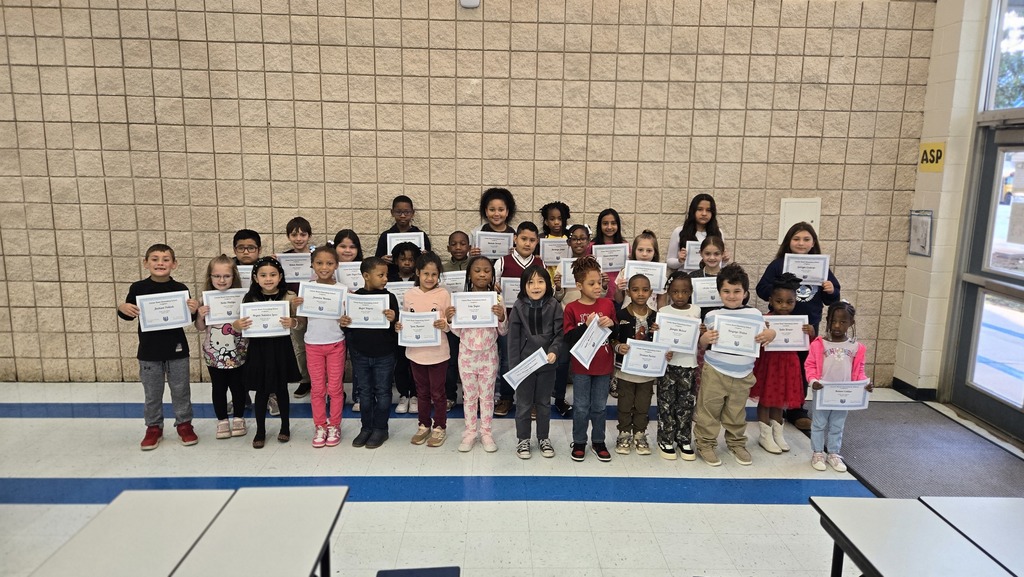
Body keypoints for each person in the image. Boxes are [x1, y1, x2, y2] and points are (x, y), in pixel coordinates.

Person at [756, 222, 841, 431]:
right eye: (796, 239)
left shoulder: (821, 267)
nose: (801, 243)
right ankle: (774, 403)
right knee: (777, 367)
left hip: (806, 327)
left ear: (813, 243)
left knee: (802, 367)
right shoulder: (779, 264)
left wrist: (831, 290)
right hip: (779, 325)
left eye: (806, 239)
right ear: (788, 241)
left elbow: (833, 299)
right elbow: (761, 289)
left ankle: (796, 408)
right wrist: (780, 288)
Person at [117, 243, 200, 450]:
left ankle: (184, 424)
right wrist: (122, 308)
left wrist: (194, 308)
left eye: (165, 259)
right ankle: (153, 427)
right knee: (152, 392)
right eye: (154, 259)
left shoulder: (180, 289)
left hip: (177, 349)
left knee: (181, 390)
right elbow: (128, 315)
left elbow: (187, 319)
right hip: (149, 351)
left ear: (174, 264)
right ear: (145, 263)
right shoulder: (138, 288)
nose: (160, 263)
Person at [694, 263, 776, 467]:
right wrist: (705, 338)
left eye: (737, 291)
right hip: (715, 371)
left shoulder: (755, 315)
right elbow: (702, 344)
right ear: (719, 292)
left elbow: (769, 333)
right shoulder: (712, 315)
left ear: (745, 293)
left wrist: (770, 334)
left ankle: (736, 443)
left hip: (743, 373)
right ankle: (705, 443)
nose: (731, 296)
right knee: (708, 410)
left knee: (737, 412)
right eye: (726, 291)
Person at [232, 257, 302, 449]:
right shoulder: (249, 298)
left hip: (281, 348)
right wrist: (237, 325)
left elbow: (301, 321)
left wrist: (293, 322)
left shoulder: (289, 296)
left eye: (273, 274)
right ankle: (260, 430)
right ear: (255, 277)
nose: (268, 279)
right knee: (261, 391)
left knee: (281, 389)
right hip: (258, 349)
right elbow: (239, 323)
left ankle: (285, 427)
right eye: (263, 275)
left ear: (280, 277)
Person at [447, 255, 508, 452]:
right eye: (477, 270)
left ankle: (487, 433)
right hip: (466, 355)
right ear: (469, 274)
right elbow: (457, 332)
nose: (482, 274)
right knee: (470, 396)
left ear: (492, 275)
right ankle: (471, 432)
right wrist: (450, 320)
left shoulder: (497, 299)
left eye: (487, 271)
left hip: (489, 356)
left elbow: (503, 331)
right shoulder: (461, 300)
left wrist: (501, 317)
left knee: (487, 396)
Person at [750, 273, 813, 455]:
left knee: (779, 401)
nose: (784, 306)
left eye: (789, 302)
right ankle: (765, 435)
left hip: (787, 364)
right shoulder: (764, 319)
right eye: (779, 301)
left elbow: (810, 345)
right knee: (765, 399)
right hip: (768, 365)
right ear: (770, 300)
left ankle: (778, 433)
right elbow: (756, 341)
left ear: (795, 301)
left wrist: (810, 332)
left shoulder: (798, 322)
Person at [563, 255, 617, 462]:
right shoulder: (572, 308)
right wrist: (584, 326)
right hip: (581, 367)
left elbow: (615, 333)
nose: (597, 287)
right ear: (579, 285)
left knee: (600, 407)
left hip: (603, 366)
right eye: (591, 283)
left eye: (600, 282)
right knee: (581, 406)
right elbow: (568, 339)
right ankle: (579, 441)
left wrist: (612, 325)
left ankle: (598, 441)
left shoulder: (608, 304)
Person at [806, 301, 871, 472]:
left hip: (844, 395)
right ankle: (818, 452)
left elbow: (859, 371)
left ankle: (833, 452)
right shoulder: (819, 344)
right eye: (833, 321)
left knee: (837, 424)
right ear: (827, 320)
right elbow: (810, 365)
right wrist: (813, 381)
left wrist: (865, 384)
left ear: (851, 323)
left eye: (843, 322)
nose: (837, 325)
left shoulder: (856, 347)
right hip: (823, 393)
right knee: (819, 423)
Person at [342, 257, 399, 449]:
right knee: (364, 392)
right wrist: (345, 324)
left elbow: (397, 327)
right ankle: (366, 427)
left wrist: (393, 318)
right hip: (360, 354)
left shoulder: (389, 297)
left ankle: (381, 429)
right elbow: (349, 329)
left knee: (383, 392)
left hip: (384, 354)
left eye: (386, 275)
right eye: (380, 275)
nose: (385, 279)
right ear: (366, 276)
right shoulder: (354, 297)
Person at [293, 246, 346, 449]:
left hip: (336, 344)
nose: (324, 267)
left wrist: (345, 318)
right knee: (317, 389)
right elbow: (300, 322)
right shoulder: (306, 289)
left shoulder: (342, 289)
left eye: (330, 263)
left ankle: (334, 425)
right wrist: (296, 307)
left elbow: (347, 319)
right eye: (320, 263)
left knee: (334, 388)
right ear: (312, 265)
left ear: (336, 265)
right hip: (313, 344)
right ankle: (320, 426)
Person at [508, 266, 564, 459]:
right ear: (524, 286)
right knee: (523, 404)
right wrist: (515, 365)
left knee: (543, 403)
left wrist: (554, 351)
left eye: (540, 281)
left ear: (547, 284)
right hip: (524, 365)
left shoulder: (554, 305)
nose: (535, 286)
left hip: (548, 365)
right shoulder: (518, 306)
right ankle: (523, 439)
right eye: (530, 282)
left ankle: (543, 438)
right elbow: (513, 339)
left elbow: (559, 334)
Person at [399, 252, 452, 448]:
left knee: (438, 393)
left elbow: (450, 324)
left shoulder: (444, 294)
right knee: (421, 392)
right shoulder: (409, 294)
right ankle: (423, 425)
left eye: (434, 274)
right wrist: (400, 327)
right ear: (417, 273)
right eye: (425, 274)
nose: (430, 278)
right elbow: (406, 319)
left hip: (438, 352)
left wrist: (444, 325)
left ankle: (440, 427)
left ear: (439, 276)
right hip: (415, 353)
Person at [493, 221, 544, 417]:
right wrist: (495, 289)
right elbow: (493, 289)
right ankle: (506, 397)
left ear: (537, 242)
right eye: (523, 239)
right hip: (509, 319)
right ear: (515, 239)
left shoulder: (540, 264)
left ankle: (529, 400)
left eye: (532, 240)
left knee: (532, 359)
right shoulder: (502, 262)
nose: (527, 243)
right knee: (508, 359)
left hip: (533, 320)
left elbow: (546, 291)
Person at [195, 254, 248, 440]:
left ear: (234, 276)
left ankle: (239, 417)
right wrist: (200, 316)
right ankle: (222, 420)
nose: (222, 280)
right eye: (217, 276)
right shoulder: (205, 300)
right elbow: (200, 328)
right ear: (210, 277)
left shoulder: (243, 298)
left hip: (238, 351)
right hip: (213, 353)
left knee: (238, 387)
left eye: (226, 276)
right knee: (218, 388)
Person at [611, 274, 665, 456]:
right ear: (628, 292)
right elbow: (612, 339)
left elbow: (662, 343)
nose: (640, 294)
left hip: (647, 372)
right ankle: (624, 433)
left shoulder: (657, 318)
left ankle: (640, 434)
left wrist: (663, 344)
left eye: (644, 290)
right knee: (625, 403)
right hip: (625, 371)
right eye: (635, 290)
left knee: (643, 404)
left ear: (651, 292)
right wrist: (618, 347)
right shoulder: (621, 315)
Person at [656, 272, 701, 460]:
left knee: (685, 404)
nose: (680, 296)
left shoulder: (696, 311)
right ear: (669, 292)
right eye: (675, 292)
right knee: (666, 403)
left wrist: (702, 331)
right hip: (667, 365)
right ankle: (665, 438)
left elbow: (698, 338)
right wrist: (656, 332)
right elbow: (659, 339)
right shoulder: (664, 312)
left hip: (688, 364)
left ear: (691, 292)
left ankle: (683, 438)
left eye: (684, 292)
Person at [550, 223, 592, 418]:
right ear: (568, 242)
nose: (578, 241)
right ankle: (559, 398)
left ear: (588, 241)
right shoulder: (563, 265)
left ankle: (586, 399)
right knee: (563, 360)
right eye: (574, 238)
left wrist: (604, 286)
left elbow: (598, 294)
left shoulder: (594, 265)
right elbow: (558, 298)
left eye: (582, 238)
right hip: (568, 318)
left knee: (587, 361)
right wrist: (558, 287)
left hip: (589, 319)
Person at [332, 229, 364, 412]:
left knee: (357, 357)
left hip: (356, 321)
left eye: (352, 247)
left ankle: (359, 395)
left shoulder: (364, 268)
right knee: (336, 361)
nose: (347, 250)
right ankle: (336, 394)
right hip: (333, 322)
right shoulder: (328, 268)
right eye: (342, 246)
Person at [283, 216, 314, 399]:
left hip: (317, 306)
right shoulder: (283, 258)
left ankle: (323, 381)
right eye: (294, 234)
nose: (299, 238)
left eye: (303, 234)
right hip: (296, 308)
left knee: (320, 346)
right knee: (301, 347)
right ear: (289, 237)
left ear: (309, 236)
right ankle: (305, 380)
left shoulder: (317, 256)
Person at [389, 241, 421, 414]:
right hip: (397, 329)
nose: (407, 263)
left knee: (416, 363)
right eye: (403, 259)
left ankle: (415, 395)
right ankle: (403, 395)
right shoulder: (389, 280)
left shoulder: (420, 281)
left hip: (418, 328)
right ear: (395, 261)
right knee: (400, 363)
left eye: (411, 259)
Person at [443, 230, 471, 412]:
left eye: (462, 243)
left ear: (469, 246)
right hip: (453, 320)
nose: (458, 247)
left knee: (471, 359)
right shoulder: (443, 269)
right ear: (448, 247)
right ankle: (450, 396)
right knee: (451, 360)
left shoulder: (476, 265)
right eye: (454, 244)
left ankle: (470, 396)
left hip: (472, 321)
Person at [667, 193, 729, 271]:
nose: (704, 214)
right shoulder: (679, 231)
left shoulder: (718, 232)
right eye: (700, 209)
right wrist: (680, 261)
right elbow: (669, 261)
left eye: (708, 210)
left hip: (708, 280)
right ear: (693, 211)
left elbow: (720, 266)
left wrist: (724, 261)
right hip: (686, 279)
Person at [374, 195, 433, 261]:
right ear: (392, 212)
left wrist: (426, 257)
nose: (402, 216)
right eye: (398, 212)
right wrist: (382, 260)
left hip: (415, 271)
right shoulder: (385, 236)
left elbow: (430, 261)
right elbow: (376, 262)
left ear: (413, 213)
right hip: (392, 270)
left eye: (407, 212)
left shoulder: (421, 235)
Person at [590, 208, 627, 300]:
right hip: (598, 293)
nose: (609, 227)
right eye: (605, 223)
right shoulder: (591, 246)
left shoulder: (625, 245)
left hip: (619, 294)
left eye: (613, 223)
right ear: (600, 225)